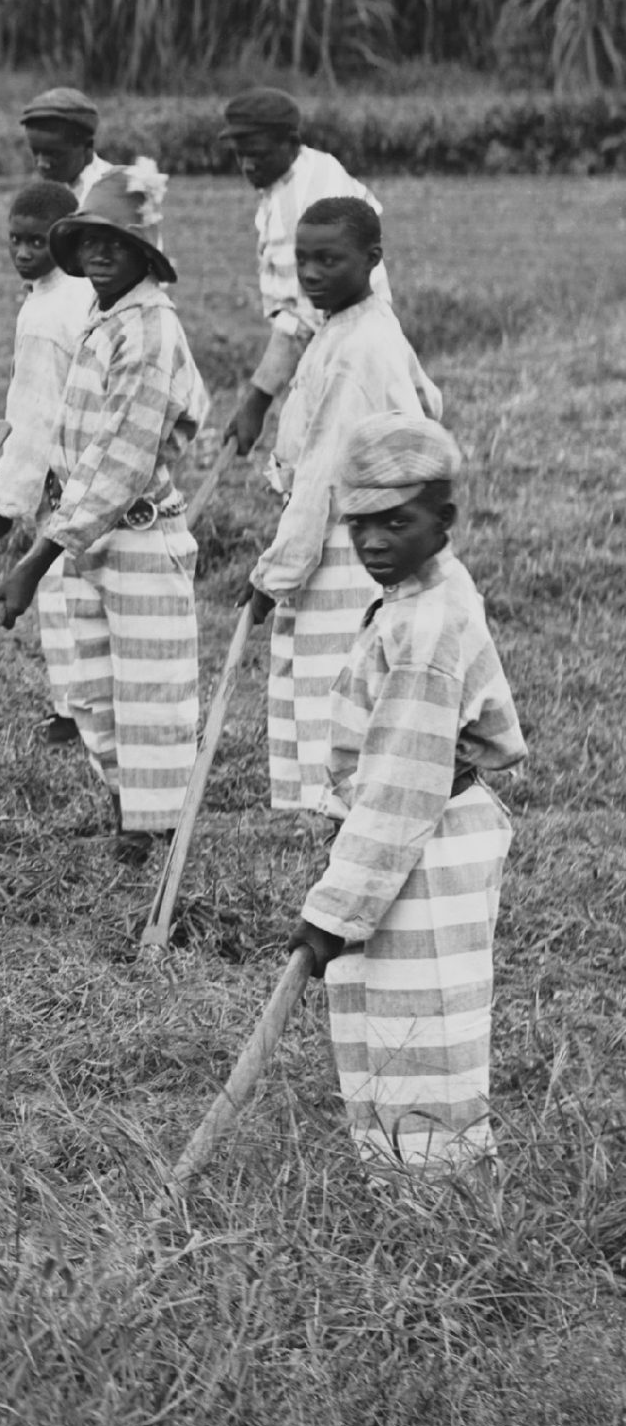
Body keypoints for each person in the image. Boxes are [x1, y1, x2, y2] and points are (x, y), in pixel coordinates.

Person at [286, 413, 523, 1171]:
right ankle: (394, 1167)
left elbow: (399, 788)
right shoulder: (421, 588)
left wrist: (330, 914)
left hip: (429, 832)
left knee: (423, 1020)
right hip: (405, 831)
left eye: (397, 521)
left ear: (443, 520)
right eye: (357, 525)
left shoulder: (427, 630)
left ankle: (434, 1196)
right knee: (383, 1009)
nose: (373, 542)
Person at [0, 175, 208, 864]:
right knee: (90, 687)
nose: (103, 253)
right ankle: (124, 809)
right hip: (85, 531)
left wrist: (34, 558)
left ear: (146, 254)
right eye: (91, 241)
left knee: (149, 693)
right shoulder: (100, 316)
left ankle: (151, 835)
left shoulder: (148, 329)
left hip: (136, 534)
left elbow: (121, 456)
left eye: (120, 243)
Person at [246, 198, 442, 820]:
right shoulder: (360, 324)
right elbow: (426, 400)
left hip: (345, 551)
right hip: (363, 540)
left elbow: (323, 478)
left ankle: (350, 850)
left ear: (371, 261)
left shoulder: (359, 346)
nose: (310, 274)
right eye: (302, 259)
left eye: (329, 260)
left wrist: (273, 576)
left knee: (342, 707)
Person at [0, 180, 99, 748]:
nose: (23, 253)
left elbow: (36, 418)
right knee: (77, 594)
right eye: (14, 241)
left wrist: (2, 506)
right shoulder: (83, 292)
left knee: (62, 592)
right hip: (94, 471)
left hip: (70, 475)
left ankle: (77, 711)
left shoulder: (49, 313)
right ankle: (80, 707)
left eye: (36, 243)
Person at [218, 88, 394, 458]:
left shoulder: (297, 206)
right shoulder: (314, 164)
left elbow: (300, 322)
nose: (249, 165)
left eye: (259, 154)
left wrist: (256, 403)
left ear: (290, 143)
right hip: (359, 334)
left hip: (339, 347)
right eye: (242, 155)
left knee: (329, 458)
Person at [19, 88, 117, 200]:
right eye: (35, 152)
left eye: (54, 154)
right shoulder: (58, 185)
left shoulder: (106, 196)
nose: (41, 163)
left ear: (88, 146)